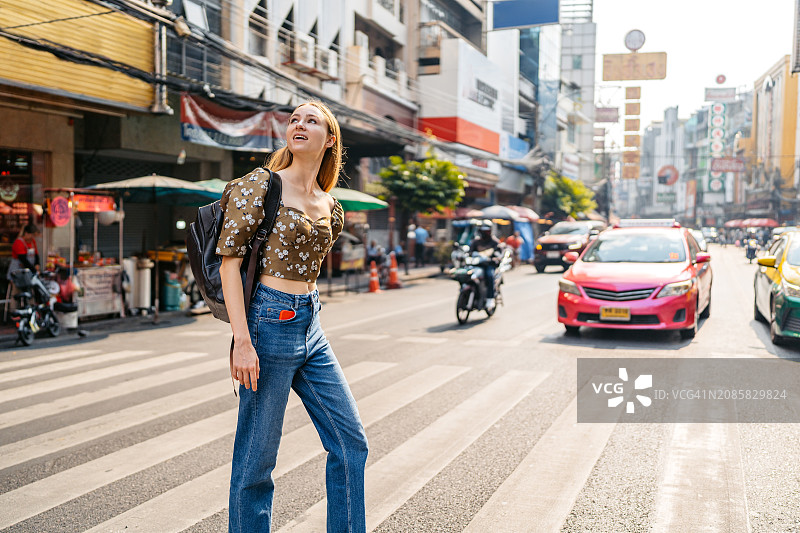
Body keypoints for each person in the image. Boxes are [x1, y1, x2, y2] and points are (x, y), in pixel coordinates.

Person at [217, 101, 368, 533]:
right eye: (294, 119)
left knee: (350, 443)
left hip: (311, 326)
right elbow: (230, 264)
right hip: (267, 324)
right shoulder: (261, 186)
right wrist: (242, 342)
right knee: (257, 461)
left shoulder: (331, 206)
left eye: (312, 120)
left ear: (330, 138)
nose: (299, 124)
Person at [469, 223, 502, 308]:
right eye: (483, 231)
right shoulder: (476, 242)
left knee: (489, 275)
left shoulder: (494, 242)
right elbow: (470, 252)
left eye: (486, 231)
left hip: (489, 265)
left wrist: (495, 258)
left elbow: (498, 253)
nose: (485, 233)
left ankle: (490, 298)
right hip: (477, 264)